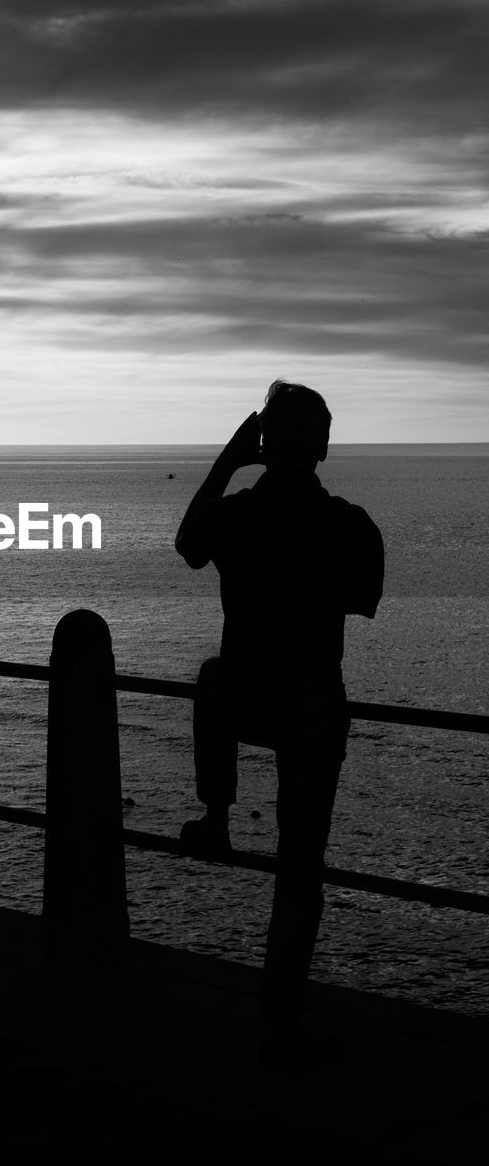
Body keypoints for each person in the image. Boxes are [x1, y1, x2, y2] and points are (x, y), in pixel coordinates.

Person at [174, 380, 384, 1054]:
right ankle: (280, 1016)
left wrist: (229, 463)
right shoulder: (350, 525)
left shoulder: (236, 515)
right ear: (321, 446)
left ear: (264, 444)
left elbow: (187, 543)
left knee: (211, 676)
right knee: (302, 867)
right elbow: (363, 596)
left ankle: (216, 813)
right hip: (315, 703)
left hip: (249, 695)